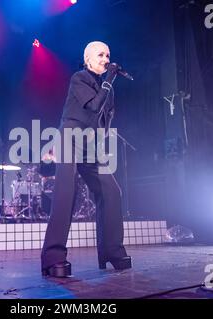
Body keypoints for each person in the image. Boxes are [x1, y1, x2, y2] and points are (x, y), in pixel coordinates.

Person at [41, 41, 131, 277]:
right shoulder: (79, 78)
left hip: (90, 145)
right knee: (65, 194)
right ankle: (53, 257)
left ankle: (112, 251)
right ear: (88, 59)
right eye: (100, 55)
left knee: (112, 191)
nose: (106, 59)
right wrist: (110, 81)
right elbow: (93, 106)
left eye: (108, 55)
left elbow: (104, 120)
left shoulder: (105, 86)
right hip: (70, 138)